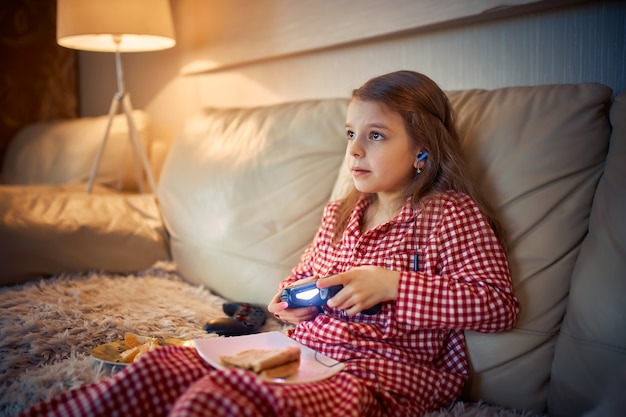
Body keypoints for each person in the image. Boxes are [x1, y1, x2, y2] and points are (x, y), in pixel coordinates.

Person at [19, 70, 519, 417]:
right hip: (298, 352)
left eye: (377, 135)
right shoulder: (343, 212)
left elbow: (498, 306)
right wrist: (291, 302)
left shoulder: (449, 215)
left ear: (423, 150)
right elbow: (300, 281)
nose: (355, 150)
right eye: (350, 134)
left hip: (372, 377)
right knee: (157, 368)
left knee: (217, 399)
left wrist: (391, 285)